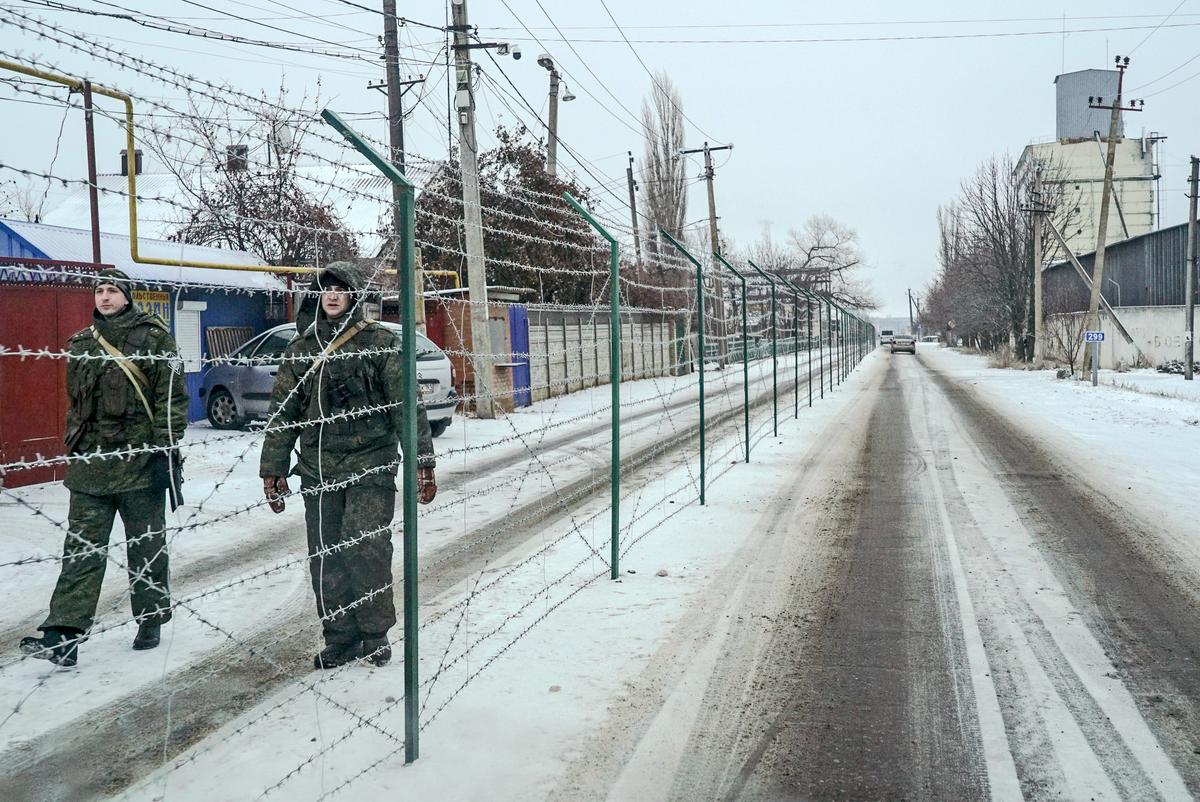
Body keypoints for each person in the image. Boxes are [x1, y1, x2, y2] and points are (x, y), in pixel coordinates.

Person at [259, 262, 437, 669]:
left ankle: (374, 633)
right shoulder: (303, 348)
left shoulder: (381, 343)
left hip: (371, 464)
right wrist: (273, 468)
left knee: (366, 547)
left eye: (341, 289)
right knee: (326, 554)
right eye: (326, 290)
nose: (333, 296)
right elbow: (283, 414)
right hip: (318, 467)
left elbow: (406, 407)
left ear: (354, 296)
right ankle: (340, 636)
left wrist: (422, 461)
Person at [20, 269, 188, 667]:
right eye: (100, 291)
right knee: (81, 549)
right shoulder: (80, 343)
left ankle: (150, 619)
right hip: (90, 467)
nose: (106, 297)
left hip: (140, 464)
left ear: (128, 296)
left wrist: (163, 445)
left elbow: (172, 400)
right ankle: (63, 634)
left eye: (113, 290)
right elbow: (76, 406)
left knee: (145, 547)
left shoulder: (155, 338)